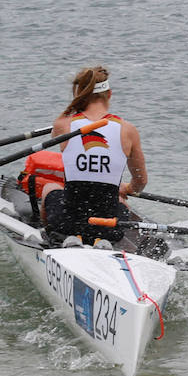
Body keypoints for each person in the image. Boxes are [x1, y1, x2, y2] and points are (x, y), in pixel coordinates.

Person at [47, 66, 148, 248]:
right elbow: (141, 181)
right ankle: (102, 241)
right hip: (108, 227)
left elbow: (56, 132)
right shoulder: (128, 130)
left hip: (67, 222)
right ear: (109, 94)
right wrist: (127, 188)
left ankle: (54, 236)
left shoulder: (63, 124)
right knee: (119, 199)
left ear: (79, 95)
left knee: (49, 187)